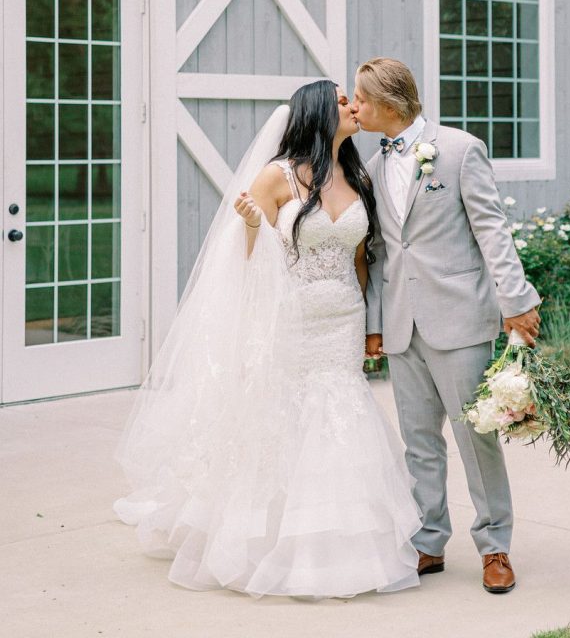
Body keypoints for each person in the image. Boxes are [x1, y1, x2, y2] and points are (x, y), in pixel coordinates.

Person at [114, 80, 421, 599]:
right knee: (288, 415)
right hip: (291, 319)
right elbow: (243, 263)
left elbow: (361, 258)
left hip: (342, 320)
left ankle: (340, 539)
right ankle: (271, 541)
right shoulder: (275, 177)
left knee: (340, 413)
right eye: (344, 101)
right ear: (319, 113)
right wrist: (254, 226)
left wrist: (370, 326)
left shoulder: (356, 173)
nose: (353, 107)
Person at [352, 58, 542, 594]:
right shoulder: (369, 164)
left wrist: (516, 301)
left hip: (458, 318)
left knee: (474, 438)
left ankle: (495, 545)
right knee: (418, 442)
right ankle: (428, 541)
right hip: (400, 324)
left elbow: (493, 232)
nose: (355, 108)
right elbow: (379, 251)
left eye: (361, 100)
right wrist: (374, 324)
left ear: (388, 103)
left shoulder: (458, 150)